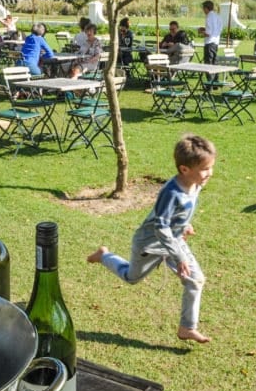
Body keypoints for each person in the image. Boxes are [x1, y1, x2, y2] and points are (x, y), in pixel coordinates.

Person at [87, 135, 216, 344]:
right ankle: (104, 255)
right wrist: (180, 256)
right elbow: (160, 226)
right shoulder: (171, 192)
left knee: (195, 279)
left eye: (211, 167)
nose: (210, 173)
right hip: (149, 245)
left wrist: (184, 226)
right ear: (184, 169)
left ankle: (187, 328)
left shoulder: (196, 183)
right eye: (205, 169)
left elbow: (180, 214)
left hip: (174, 242)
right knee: (131, 278)